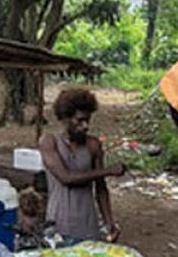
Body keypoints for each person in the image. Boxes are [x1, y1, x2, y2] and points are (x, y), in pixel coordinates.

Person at [39, 87, 124, 242]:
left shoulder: (93, 145)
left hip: (87, 225)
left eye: (87, 120)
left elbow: (101, 189)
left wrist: (109, 222)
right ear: (65, 118)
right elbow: (66, 178)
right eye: (79, 120)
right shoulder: (49, 142)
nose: (85, 126)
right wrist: (108, 171)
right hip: (58, 224)